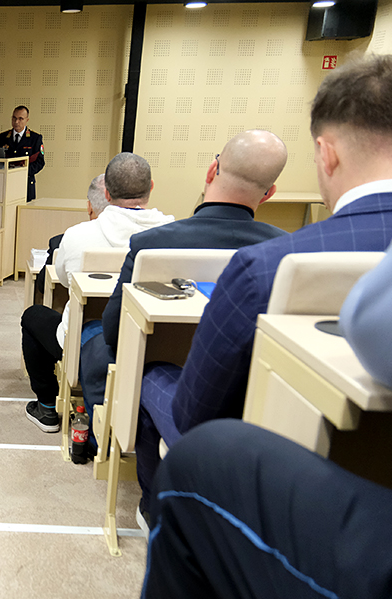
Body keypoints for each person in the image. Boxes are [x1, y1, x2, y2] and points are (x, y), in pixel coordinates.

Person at [133, 55, 392, 516]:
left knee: (151, 376)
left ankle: (160, 514)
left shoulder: (263, 268)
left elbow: (195, 413)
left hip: (275, 484)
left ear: (327, 154)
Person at [133, 234, 392, 599]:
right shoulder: (273, 244)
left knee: (197, 456)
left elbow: (192, 411)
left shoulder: (257, 266)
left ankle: (153, 504)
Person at [75, 131, 289, 435]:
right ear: (269, 193)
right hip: (248, 391)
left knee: (94, 335)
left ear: (212, 171)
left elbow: (114, 330)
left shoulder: (151, 243)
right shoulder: (287, 251)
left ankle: (104, 436)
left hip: (159, 376)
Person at [20, 153, 173, 434]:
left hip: (88, 342)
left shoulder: (78, 235)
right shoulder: (173, 233)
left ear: (107, 193)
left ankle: (47, 407)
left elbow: (63, 281)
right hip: (156, 346)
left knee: (33, 316)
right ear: (151, 187)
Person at [34, 174, 108, 296]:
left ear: (89, 207)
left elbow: (43, 285)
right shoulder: (138, 241)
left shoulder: (64, 241)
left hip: (76, 306)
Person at [0, 105, 45, 202]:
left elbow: (39, 162)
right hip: (6, 183)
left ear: (27, 120)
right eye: (14, 118)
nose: (16, 122)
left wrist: (21, 172)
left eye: (20, 119)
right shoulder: (2, 137)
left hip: (26, 183)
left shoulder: (35, 138)